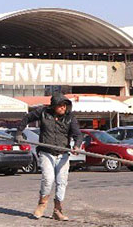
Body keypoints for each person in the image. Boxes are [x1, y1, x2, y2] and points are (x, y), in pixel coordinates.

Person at [14, 92, 82, 220]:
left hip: (63, 154)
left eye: (65, 106)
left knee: (62, 182)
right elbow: (26, 118)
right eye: (60, 105)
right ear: (54, 106)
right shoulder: (43, 112)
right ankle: (42, 204)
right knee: (48, 179)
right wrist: (19, 133)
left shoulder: (70, 118)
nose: (63, 108)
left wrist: (77, 146)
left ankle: (57, 210)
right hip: (46, 152)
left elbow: (78, 134)